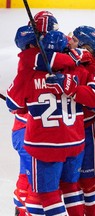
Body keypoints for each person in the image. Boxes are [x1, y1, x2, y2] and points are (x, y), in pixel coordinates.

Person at [6, 30, 95, 216]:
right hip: (74, 143)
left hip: (44, 146)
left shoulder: (28, 76)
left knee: (47, 195)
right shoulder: (79, 72)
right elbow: (94, 99)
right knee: (72, 188)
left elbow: (14, 105)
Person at [12, 10, 60, 216]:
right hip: (28, 131)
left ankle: (20, 210)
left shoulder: (32, 53)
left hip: (25, 128)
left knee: (27, 175)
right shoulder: (35, 58)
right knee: (34, 181)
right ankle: (24, 212)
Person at [68, 25, 95, 216]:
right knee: (65, 182)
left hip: (85, 130)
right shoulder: (66, 60)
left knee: (87, 181)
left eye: (75, 40)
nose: (70, 42)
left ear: (85, 47)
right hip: (63, 131)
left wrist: (70, 88)